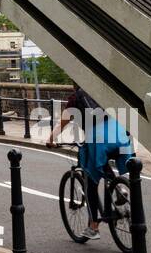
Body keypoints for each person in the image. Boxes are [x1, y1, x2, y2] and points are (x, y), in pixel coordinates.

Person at [49, 83, 134, 241]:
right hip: (120, 132)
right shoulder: (102, 88)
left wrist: (51, 139)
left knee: (91, 182)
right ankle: (119, 187)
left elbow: (62, 123)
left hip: (98, 138)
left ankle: (93, 227)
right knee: (106, 164)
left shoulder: (75, 98)